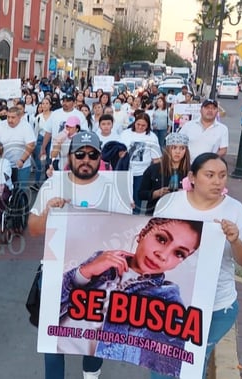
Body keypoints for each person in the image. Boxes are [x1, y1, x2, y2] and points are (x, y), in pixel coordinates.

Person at [28, 130, 133, 379]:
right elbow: (33, 230)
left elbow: (128, 234)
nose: (86, 159)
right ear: (70, 156)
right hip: (56, 273)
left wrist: (125, 217)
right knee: (54, 338)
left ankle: (91, 375)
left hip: (100, 279)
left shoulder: (114, 187)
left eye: (92, 154)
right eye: (80, 154)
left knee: (96, 333)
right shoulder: (54, 183)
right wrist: (47, 213)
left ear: (100, 158)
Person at [153, 153, 242, 379]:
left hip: (215, 308)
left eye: (222, 176)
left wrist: (235, 241)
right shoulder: (169, 204)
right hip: (170, 306)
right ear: (192, 177)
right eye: (209, 175)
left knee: (192, 364)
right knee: (162, 362)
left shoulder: (235, 210)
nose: (217, 181)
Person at [58, 218, 204, 377]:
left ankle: (91, 373)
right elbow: (52, 302)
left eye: (179, 253)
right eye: (161, 239)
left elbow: (174, 358)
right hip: (57, 340)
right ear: (143, 233)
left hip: (91, 353)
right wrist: (86, 272)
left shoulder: (167, 297)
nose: (163, 255)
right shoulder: (102, 259)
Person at [138, 133, 191, 215]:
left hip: (182, 215)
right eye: (174, 147)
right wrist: (157, 193)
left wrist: (185, 194)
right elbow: (141, 194)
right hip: (156, 214)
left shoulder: (191, 172)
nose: (178, 151)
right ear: (167, 149)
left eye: (182, 148)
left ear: (186, 151)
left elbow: (199, 195)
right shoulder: (153, 169)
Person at [120, 113, 162, 214]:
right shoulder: (125, 134)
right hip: (126, 172)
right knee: (125, 199)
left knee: (137, 200)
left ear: (148, 126)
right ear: (134, 123)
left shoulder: (152, 137)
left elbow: (157, 158)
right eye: (138, 124)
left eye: (143, 125)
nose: (140, 127)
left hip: (142, 173)